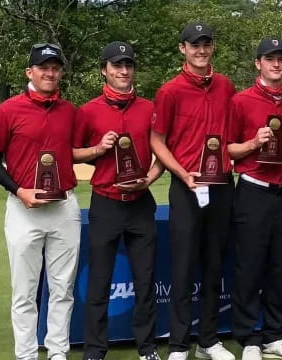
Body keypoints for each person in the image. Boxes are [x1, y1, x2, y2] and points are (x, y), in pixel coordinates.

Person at [0, 43, 80, 360]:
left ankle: (57, 352)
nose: (50, 73)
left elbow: (78, 150)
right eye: (43, 68)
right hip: (24, 209)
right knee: (25, 292)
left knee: (62, 289)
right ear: (30, 72)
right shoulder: (7, 110)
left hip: (64, 207)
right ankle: (26, 355)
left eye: (55, 68)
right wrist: (18, 190)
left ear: (61, 73)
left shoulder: (70, 111)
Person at [72, 41, 164, 360]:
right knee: (99, 282)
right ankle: (96, 349)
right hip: (106, 202)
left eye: (128, 65)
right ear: (105, 70)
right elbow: (71, 152)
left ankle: (147, 347)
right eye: (116, 66)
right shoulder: (88, 111)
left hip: (140, 202)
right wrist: (98, 149)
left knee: (145, 279)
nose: (123, 71)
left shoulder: (149, 108)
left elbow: (164, 151)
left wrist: (150, 178)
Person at [150, 23, 235, 360]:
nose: (201, 50)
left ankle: (209, 341)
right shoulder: (169, 91)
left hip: (222, 186)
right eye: (194, 45)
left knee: (215, 266)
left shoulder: (226, 85)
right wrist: (183, 174)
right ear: (182, 49)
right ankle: (179, 344)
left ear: (212, 48)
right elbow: (157, 140)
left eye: (206, 44)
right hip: (187, 187)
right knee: (183, 268)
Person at [227, 38, 282, 360]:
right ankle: (248, 339)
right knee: (249, 267)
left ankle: (274, 335)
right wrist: (251, 144)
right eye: (270, 59)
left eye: (281, 59)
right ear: (258, 63)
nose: (276, 64)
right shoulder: (240, 101)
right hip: (253, 190)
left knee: (280, 266)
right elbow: (227, 149)